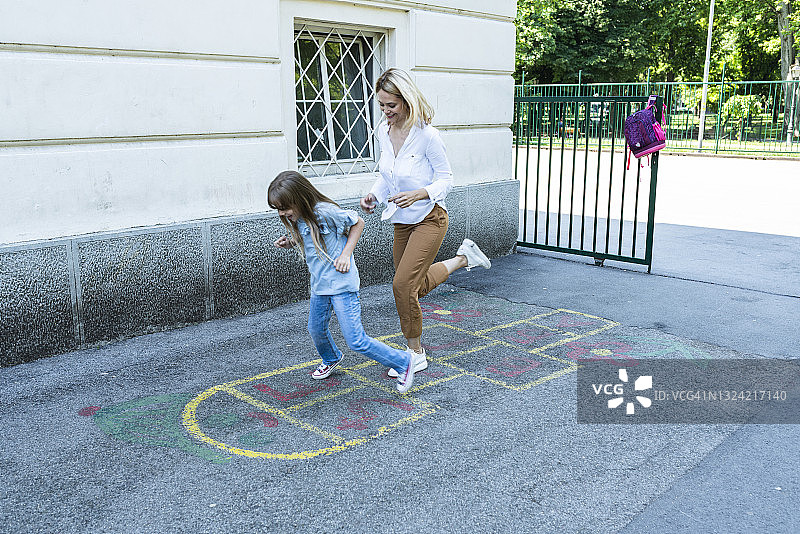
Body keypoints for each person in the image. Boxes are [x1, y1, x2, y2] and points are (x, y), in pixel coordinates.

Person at [360, 68, 491, 378]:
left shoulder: (427, 135)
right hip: (401, 221)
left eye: (390, 105)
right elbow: (386, 174)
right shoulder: (384, 131)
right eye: (381, 105)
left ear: (406, 101)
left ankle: (415, 353)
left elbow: (446, 179)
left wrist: (420, 194)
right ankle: (464, 258)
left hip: (430, 218)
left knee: (402, 285)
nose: (385, 112)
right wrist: (374, 196)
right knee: (413, 287)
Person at [268, 170, 415, 393]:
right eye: (278, 209)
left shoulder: (325, 212)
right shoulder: (299, 218)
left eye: (284, 208)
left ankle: (404, 362)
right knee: (316, 329)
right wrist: (290, 242)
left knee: (356, 340)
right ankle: (332, 357)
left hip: (341, 285)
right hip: (320, 285)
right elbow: (310, 238)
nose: (281, 213)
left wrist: (346, 254)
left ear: (299, 199)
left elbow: (358, 223)